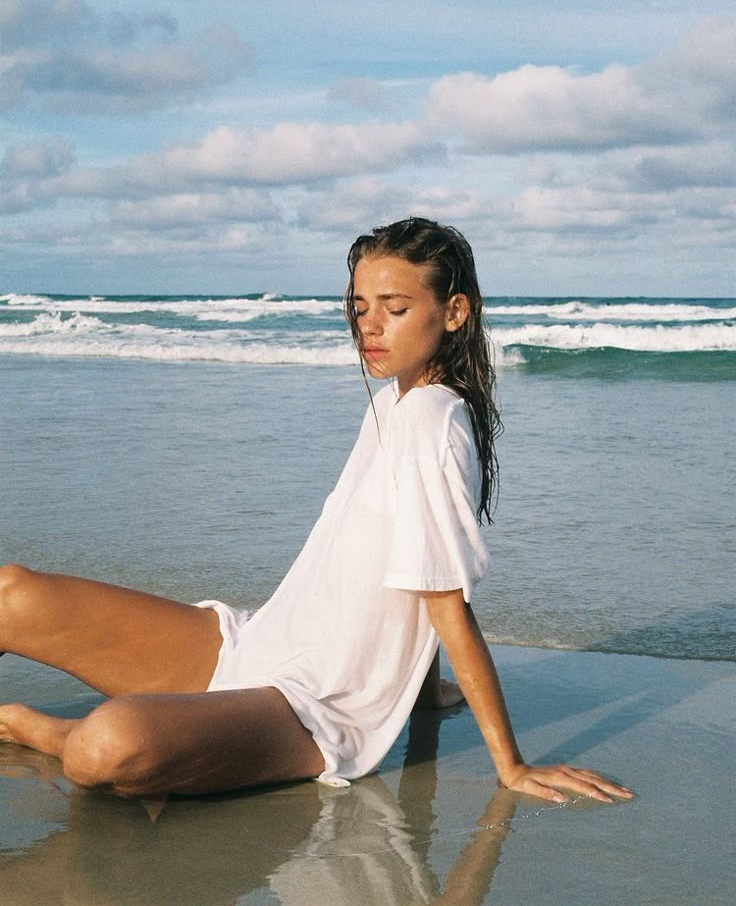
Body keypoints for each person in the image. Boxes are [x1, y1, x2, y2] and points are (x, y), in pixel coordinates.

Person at [0, 217, 632, 805]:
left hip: (312, 707)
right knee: (11, 592)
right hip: (257, 645)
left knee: (101, 748)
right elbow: (406, 563)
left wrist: (511, 766)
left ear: (454, 312)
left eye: (396, 308)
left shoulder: (433, 421)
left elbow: (444, 600)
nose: (370, 327)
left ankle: (40, 732)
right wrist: (422, 692)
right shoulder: (393, 404)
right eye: (360, 308)